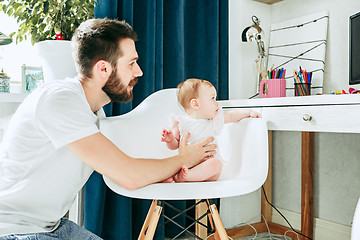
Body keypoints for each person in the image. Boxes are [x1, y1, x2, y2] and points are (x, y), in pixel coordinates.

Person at [0, 19, 216, 239]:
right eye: (131, 64)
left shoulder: (92, 111)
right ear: (103, 68)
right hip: (14, 230)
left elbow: (122, 165)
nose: (139, 72)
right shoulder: (60, 101)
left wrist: (167, 169)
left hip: (52, 226)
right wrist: (183, 159)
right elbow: (129, 175)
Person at [161, 78, 261, 182]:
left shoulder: (213, 120)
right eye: (212, 98)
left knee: (216, 164)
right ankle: (172, 176)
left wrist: (248, 112)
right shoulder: (181, 122)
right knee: (173, 163)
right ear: (195, 104)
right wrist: (170, 139)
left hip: (207, 168)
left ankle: (186, 176)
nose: (217, 103)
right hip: (187, 164)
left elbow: (231, 116)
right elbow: (174, 145)